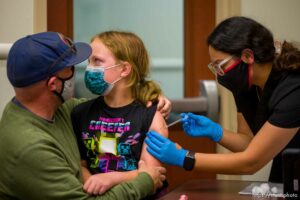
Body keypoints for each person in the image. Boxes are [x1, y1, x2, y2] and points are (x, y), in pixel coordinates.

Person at [0, 31, 169, 200]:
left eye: (96, 61)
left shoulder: (61, 110)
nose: (82, 71)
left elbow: (118, 106)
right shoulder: (30, 147)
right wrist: (144, 180)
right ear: (53, 84)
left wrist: (151, 98)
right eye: (69, 69)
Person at [145, 16, 300, 183]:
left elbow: (251, 162)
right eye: (214, 67)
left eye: (220, 65)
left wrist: (185, 157)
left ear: (248, 56)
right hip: (287, 172)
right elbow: (249, 144)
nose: (219, 73)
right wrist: (216, 132)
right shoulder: (246, 85)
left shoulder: (293, 89)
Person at [71, 31, 168, 196]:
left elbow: (151, 174)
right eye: (89, 61)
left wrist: (110, 179)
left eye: (97, 61)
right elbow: (80, 164)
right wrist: (90, 183)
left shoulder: (151, 116)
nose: (89, 68)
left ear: (124, 69)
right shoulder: (80, 113)